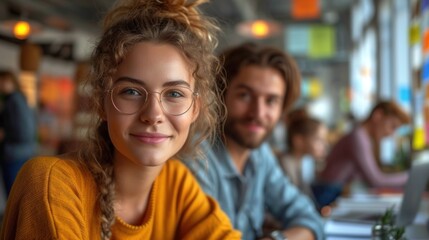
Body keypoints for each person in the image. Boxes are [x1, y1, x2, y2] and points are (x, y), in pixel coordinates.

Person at [0, 0, 241, 239]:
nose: (153, 114)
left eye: (175, 94)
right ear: (101, 103)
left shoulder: (176, 183)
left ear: (195, 108)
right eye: (132, 92)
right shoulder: (51, 184)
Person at [183, 42, 324, 240]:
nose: (258, 113)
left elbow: (310, 217)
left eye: (271, 101)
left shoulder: (260, 155)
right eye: (245, 95)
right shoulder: (195, 157)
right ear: (221, 95)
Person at [319, 100, 411, 189]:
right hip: (329, 193)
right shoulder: (358, 137)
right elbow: (376, 180)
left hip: (336, 191)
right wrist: (410, 177)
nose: (391, 134)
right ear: (378, 116)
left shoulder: (364, 137)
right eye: (392, 127)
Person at [0, 70, 37, 195]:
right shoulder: (13, 100)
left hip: (15, 153)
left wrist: (5, 135)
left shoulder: (15, 100)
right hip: (18, 151)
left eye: (3, 81)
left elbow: (25, 131)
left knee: (14, 194)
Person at [278, 108, 328, 199]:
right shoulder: (282, 165)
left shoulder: (305, 162)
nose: (324, 145)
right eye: (318, 140)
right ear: (298, 141)